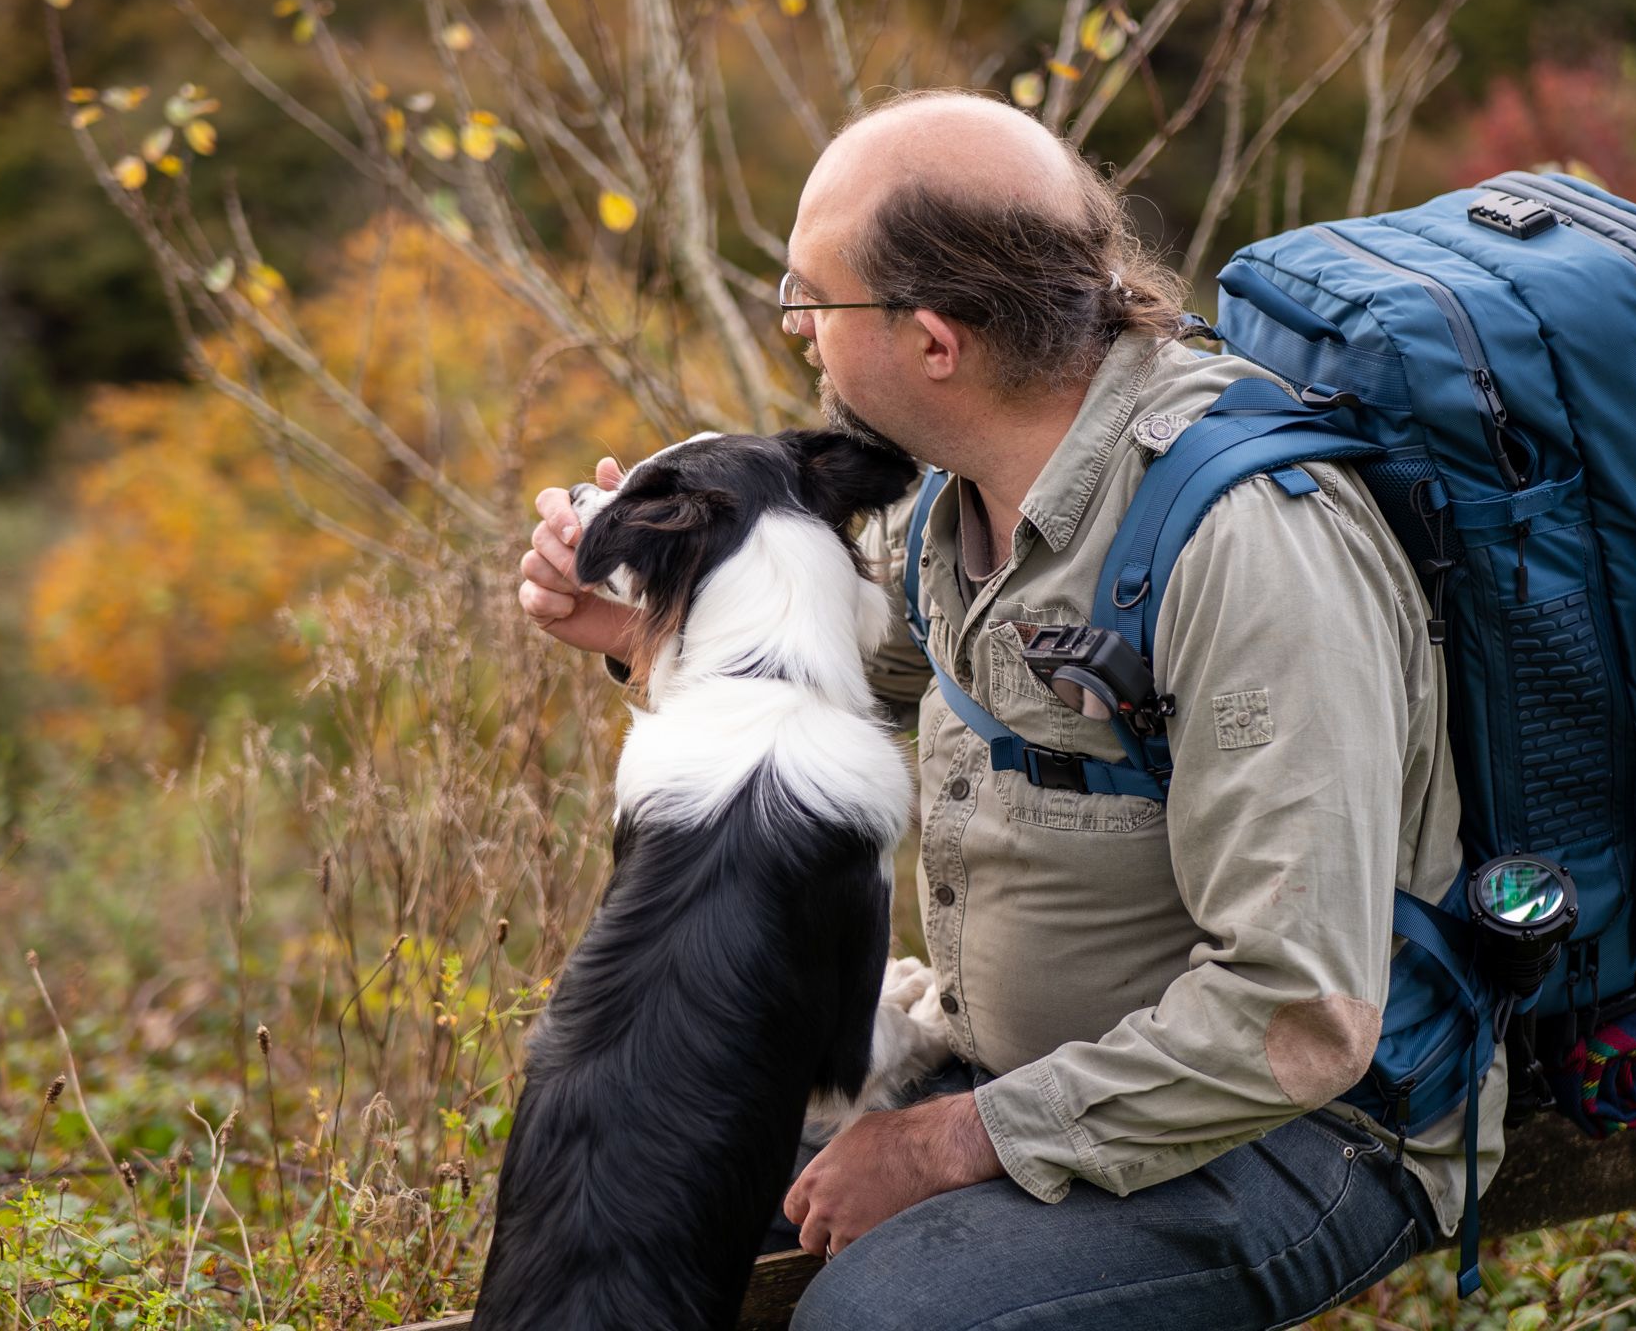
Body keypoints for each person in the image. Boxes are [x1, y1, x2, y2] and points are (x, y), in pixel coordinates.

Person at [515, 88, 1506, 1329]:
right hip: (1028, 1068)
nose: (802, 334)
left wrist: (945, 1143)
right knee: (612, 1193)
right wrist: (651, 627)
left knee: (885, 1317)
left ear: (935, 340)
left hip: (1305, 1126)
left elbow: (1295, 1017)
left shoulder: (1249, 548)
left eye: (809, 297)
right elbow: (870, 673)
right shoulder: (963, 496)